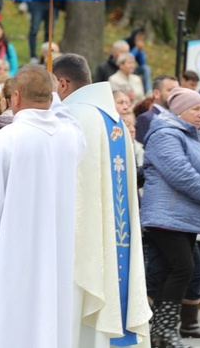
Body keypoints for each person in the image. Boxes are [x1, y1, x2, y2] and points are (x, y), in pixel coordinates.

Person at [0, 64, 84, 348]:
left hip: (10, 258)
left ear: (15, 98)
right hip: (56, 254)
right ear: (52, 98)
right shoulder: (71, 138)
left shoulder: (4, 141)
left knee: (5, 329)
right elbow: (68, 118)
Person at [52, 53, 152, 347]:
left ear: (62, 83)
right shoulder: (114, 120)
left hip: (80, 242)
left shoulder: (71, 118)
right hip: (112, 236)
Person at [140, 87, 200, 348]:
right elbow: (180, 173)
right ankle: (164, 330)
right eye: (195, 109)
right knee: (182, 268)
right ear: (179, 111)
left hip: (185, 216)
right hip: (165, 215)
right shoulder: (165, 134)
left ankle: (162, 332)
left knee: (173, 270)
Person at [135, 74, 179, 143]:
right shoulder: (145, 118)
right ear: (156, 93)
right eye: (170, 90)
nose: (175, 94)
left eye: (177, 90)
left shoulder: (178, 117)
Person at [125, 28, 152, 93]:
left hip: (133, 68)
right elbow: (128, 58)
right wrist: (136, 49)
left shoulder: (137, 47)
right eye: (138, 36)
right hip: (124, 67)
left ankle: (148, 91)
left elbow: (142, 63)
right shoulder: (126, 43)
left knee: (146, 68)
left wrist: (140, 50)